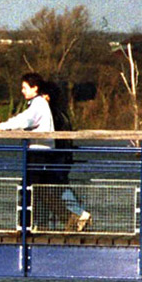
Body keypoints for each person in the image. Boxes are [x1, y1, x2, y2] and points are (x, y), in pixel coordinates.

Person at [0, 72, 66, 231]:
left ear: (35, 88)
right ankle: (45, 222)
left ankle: (25, 226)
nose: (22, 91)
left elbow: (26, 119)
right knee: (39, 189)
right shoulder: (40, 103)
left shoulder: (38, 104)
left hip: (39, 151)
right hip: (44, 150)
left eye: (25, 88)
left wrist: (3, 126)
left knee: (28, 188)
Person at [40, 79, 92, 231]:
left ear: (47, 96)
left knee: (53, 188)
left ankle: (79, 213)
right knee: (58, 187)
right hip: (63, 156)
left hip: (56, 157)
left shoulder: (52, 114)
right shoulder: (62, 113)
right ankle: (79, 213)